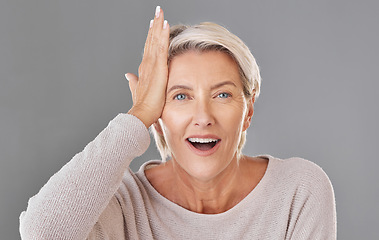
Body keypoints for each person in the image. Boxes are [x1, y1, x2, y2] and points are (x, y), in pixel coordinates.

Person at [19, 6, 336, 239]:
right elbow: (42, 232)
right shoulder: (120, 204)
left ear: (248, 111)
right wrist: (139, 114)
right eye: (181, 96)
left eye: (222, 95)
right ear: (158, 115)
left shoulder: (298, 190)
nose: (203, 117)